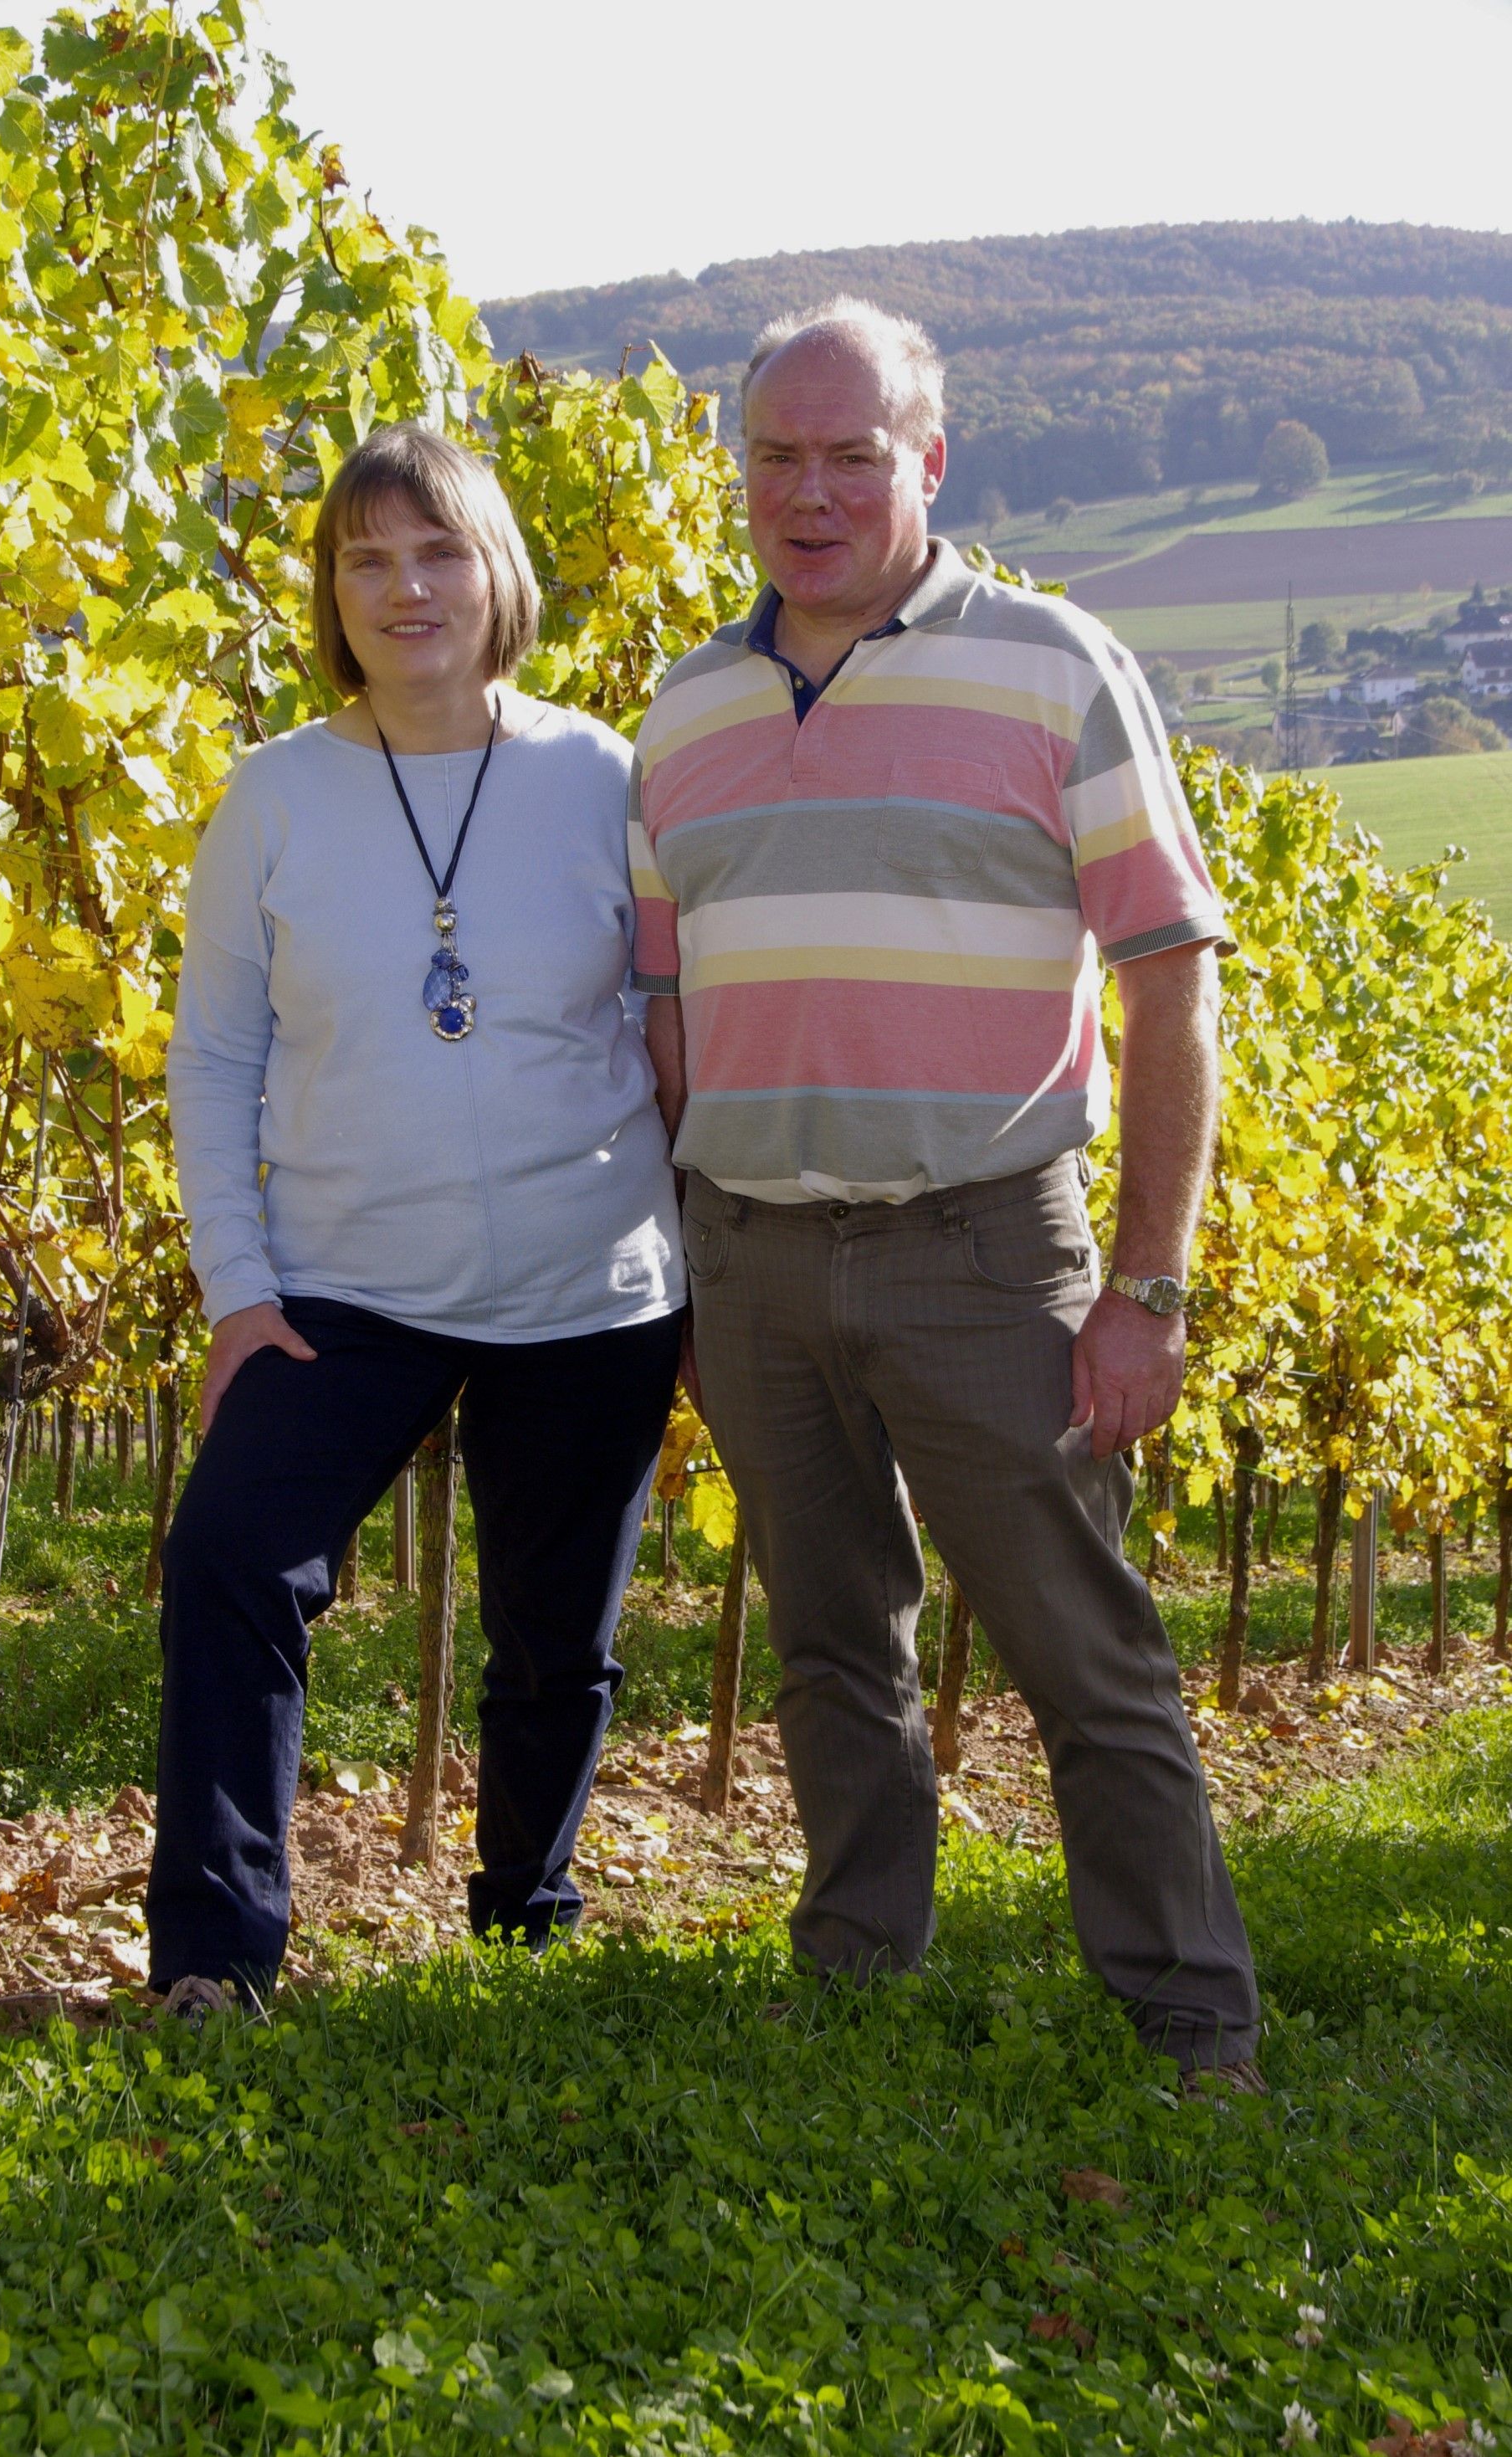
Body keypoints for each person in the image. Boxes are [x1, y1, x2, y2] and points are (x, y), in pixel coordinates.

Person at [633, 299, 1263, 2092]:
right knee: (832, 1642)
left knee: (1086, 1651)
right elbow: (665, 1022)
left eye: (850, 455)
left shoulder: (1054, 668)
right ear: (740, 470)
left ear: (928, 457)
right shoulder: (682, 709)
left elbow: (1167, 984)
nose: (808, 492)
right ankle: (853, 1961)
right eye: (775, 456)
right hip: (751, 1259)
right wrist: (690, 1267)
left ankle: (1189, 2017)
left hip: (983, 1248)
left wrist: (1146, 1288)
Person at [146, 424, 684, 2021]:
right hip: (341, 1292)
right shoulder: (273, 797)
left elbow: (672, 1024)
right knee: (231, 1559)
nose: (404, 587)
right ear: (332, 593)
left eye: (435, 550)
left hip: (589, 1287)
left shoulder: (603, 778)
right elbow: (215, 1054)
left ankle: (525, 1919)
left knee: (553, 1638)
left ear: (494, 567)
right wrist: (237, 1291)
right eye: (364, 559)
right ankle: (218, 1960)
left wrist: (704, 1266)